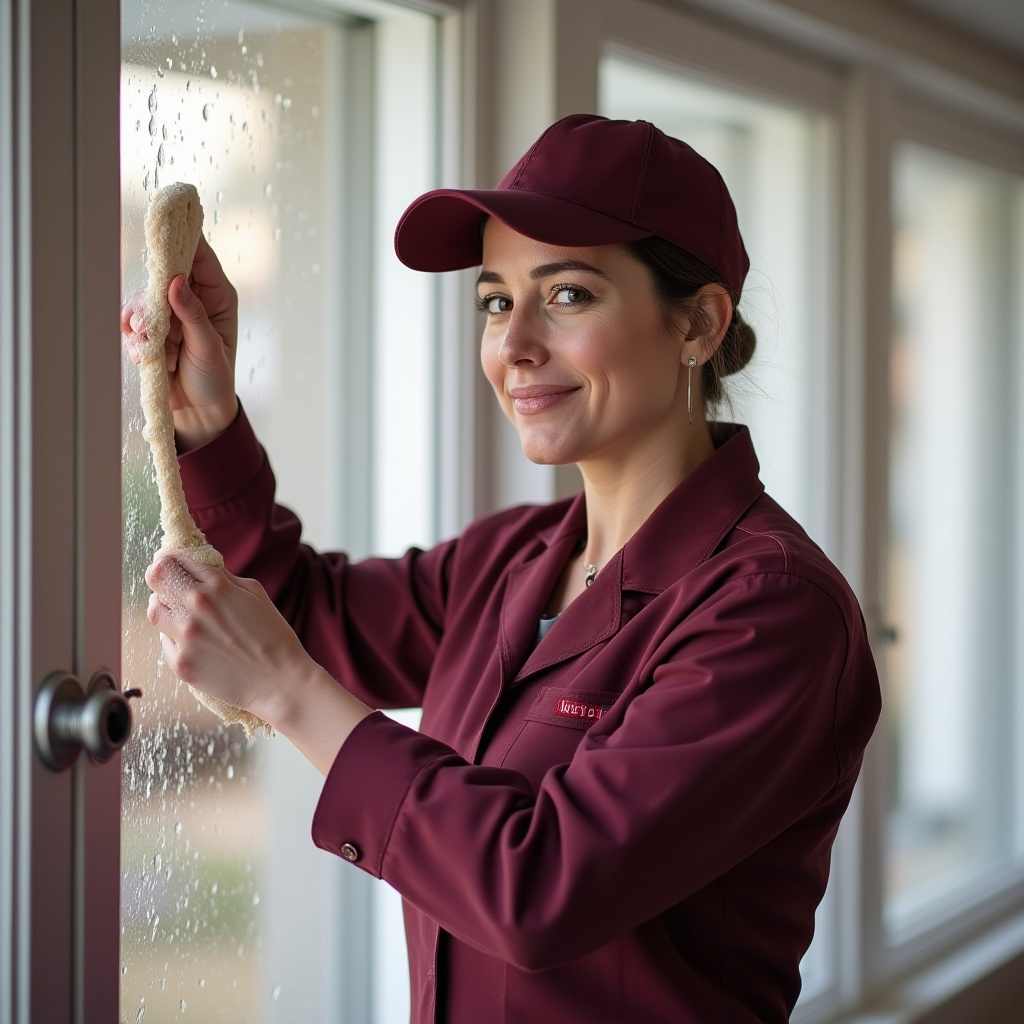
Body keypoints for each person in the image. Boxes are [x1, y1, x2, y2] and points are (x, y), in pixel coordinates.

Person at [125, 113, 881, 1023]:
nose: (514, 342)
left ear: (698, 324)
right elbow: (301, 617)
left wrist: (287, 691)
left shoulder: (772, 610)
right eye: (494, 300)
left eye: (567, 296)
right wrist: (206, 421)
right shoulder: (514, 559)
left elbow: (543, 886)